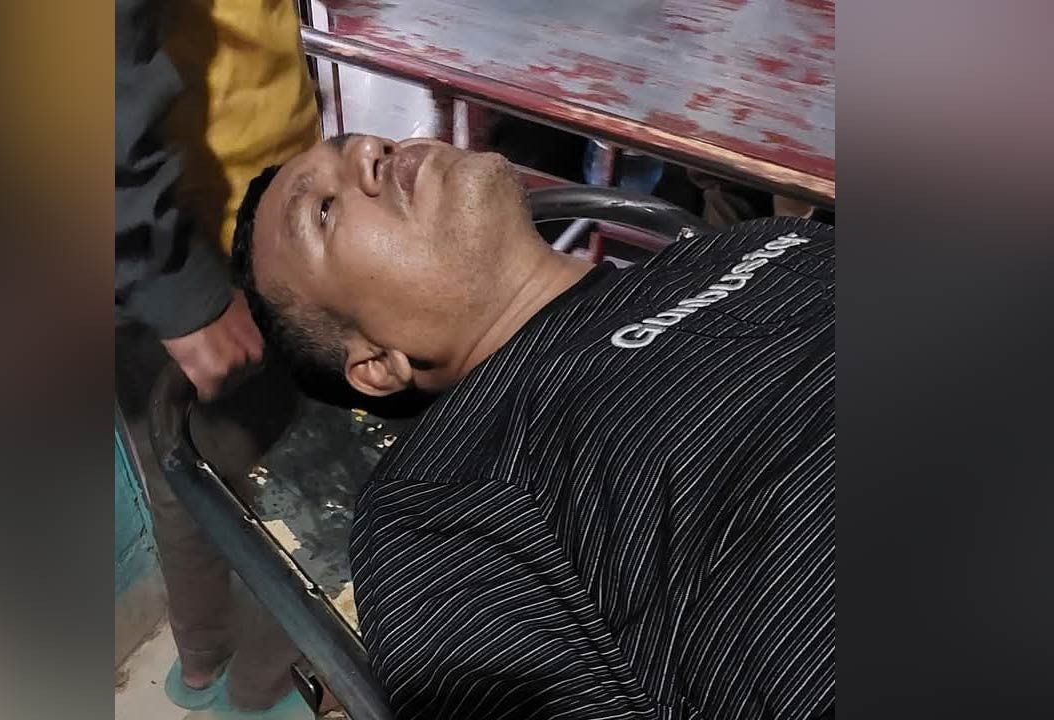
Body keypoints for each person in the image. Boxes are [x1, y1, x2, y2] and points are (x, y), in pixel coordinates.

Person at [230, 134, 835, 720]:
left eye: (371, 143)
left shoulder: (749, 240)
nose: (372, 150)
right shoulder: (438, 506)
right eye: (324, 210)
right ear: (378, 363)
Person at [115, 0, 320, 717]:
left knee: (181, 470)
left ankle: (203, 658)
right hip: (210, 233)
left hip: (162, 242)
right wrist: (179, 285)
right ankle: (265, 690)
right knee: (292, 488)